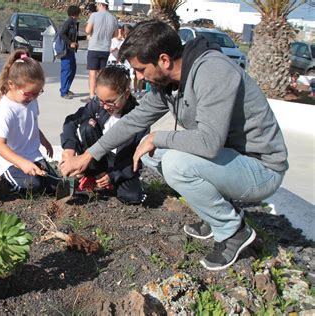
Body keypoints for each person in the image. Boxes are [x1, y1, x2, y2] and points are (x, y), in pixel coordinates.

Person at [60, 20, 288, 271]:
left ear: (164, 60)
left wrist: (156, 137)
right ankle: (216, 213)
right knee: (148, 155)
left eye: (140, 69)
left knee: (175, 163)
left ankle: (232, 231)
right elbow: (134, 121)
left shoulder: (212, 71)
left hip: (261, 169)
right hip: (231, 159)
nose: (137, 77)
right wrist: (89, 155)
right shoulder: (169, 84)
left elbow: (209, 142)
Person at [61, 66, 148, 204]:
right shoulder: (97, 106)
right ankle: (90, 175)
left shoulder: (139, 117)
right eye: (101, 100)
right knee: (87, 127)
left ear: (126, 94)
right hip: (96, 159)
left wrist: (113, 176)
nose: (105, 106)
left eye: (110, 101)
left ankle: (106, 182)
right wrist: (69, 148)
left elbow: (138, 159)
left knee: (133, 197)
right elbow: (70, 122)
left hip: (121, 165)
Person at [0, 48, 58, 195]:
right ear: (12, 85)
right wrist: (21, 163)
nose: (33, 97)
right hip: (9, 162)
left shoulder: (30, 101)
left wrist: (43, 140)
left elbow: (30, 124)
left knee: (54, 185)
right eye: (29, 93)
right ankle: (1, 183)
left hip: (32, 155)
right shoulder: (4, 110)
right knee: (31, 186)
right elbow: (0, 146)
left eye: (38, 93)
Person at [80, 0, 118, 103]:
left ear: (100, 4)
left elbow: (87, 30)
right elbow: (115, 34)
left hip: (94, 47)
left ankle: (92, 96)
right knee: (102, 74)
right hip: (105, 49)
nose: (96, 6)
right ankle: (102, 95)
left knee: (93, 73)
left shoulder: (94, 16)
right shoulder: (113, 18)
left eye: (97, 4)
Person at [59, 5, 87, 100]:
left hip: (71, 51)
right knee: (66, 71)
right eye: (79, 13)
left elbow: (73, 37)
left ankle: (66, 89)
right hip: (66, 51)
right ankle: (63, 92)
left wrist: (84, 38)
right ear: (75, 14)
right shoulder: (69, 22)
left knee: (72, 70)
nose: (80, 15)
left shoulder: (74, 23)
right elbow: (62, 33)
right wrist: (70, 43)